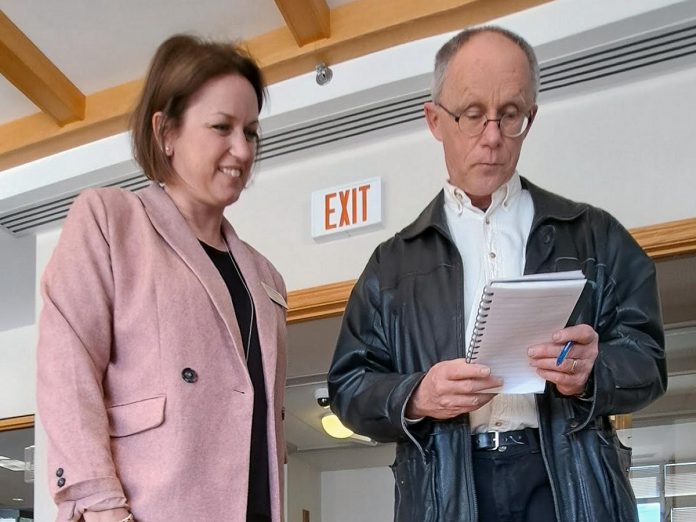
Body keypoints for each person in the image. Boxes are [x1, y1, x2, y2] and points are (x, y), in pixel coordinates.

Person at [328, 26, 666, 522]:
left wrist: (595, 369)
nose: (492, 138)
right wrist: (417, 395)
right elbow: (348, 387)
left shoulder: (595, 235)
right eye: (471, 114)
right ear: (434, 120)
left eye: (510, 116)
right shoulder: (391, 264)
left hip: (568, 483)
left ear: (530, 116)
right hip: (448, 488)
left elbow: (651, 360)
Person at [37, 35, 288, 522]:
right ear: (166, 131)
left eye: (251, 131)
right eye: (221, 127)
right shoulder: (110, 222)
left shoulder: (265, 277)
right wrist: (100, 508)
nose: (242, 148)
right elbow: (67, 377)